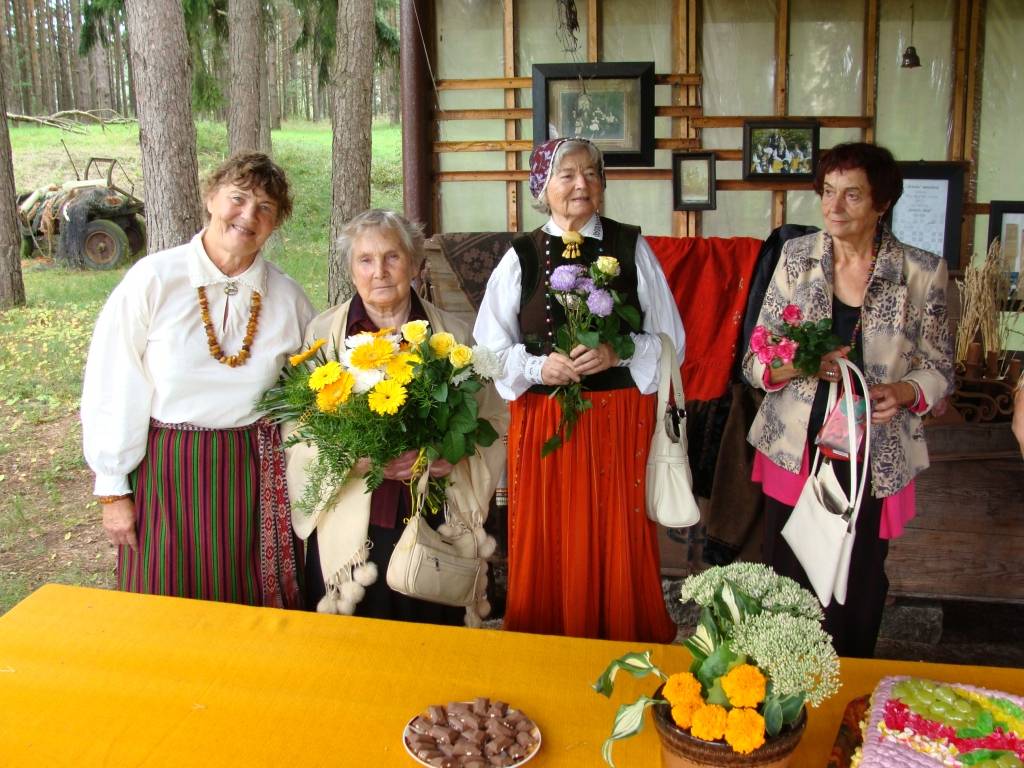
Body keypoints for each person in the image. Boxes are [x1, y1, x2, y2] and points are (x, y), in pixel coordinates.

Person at [743, 142, 954, 657]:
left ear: (882, 203)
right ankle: (776, 686)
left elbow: (940, 367)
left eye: (852, 196)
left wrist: (905, 392)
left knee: (854, 581)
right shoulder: (796, 258)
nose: (834, 208)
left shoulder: (921, 272)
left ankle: (843, 689)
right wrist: (801, 365)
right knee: (785, 574)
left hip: (871, 453)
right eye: (828, 193)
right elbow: (755, 359)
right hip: (795, 444)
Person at [473, 137, 686, 643]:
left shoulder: (631, 246)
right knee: (550, 532)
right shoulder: (520, 255)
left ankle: (619, 635)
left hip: (617, 418)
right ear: (542, 188)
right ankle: (550, 641)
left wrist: (618, 353)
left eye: (591, 174)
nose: (581, 184)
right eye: (567, 175)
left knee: (616, 529)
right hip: (545, 422)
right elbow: (486, 350)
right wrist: (536, 366)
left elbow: (670, 338)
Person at [82, 152, 315, 608]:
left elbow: (316, 388)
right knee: (163, 602)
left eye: (265, 208)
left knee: (248, 609)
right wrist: (113, 489)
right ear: (211, 198)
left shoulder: (287, 299)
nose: (248, 215)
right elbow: (113, 382)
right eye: (238, 198)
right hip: (167, 473)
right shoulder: (154, 280)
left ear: (275, 224)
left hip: (254, 477)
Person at [285, 209, 508, 624]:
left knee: (431, 638)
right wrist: (355, 461)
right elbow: (298, 431)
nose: (380, 272)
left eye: (392, 257)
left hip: (432, 522)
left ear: (416, 264)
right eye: (365, 260)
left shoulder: (455, 337)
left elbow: (493, 423)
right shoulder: (322, 338)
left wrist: (452, 456)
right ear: (352, 271)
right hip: (353, 524)